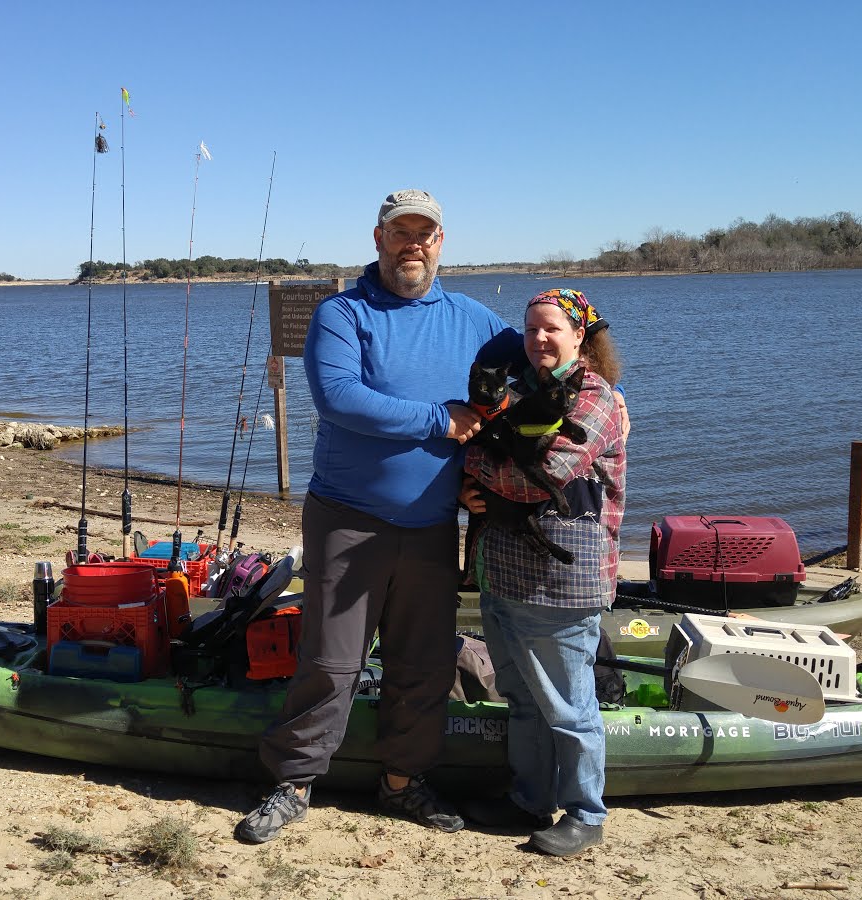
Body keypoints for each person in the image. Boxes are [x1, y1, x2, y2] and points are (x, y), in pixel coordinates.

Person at [235, 189, 521, 844]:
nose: (412, 244)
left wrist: (592, 394)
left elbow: (543, 358)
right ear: (379, 239)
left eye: (426, 233)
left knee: (420, 663)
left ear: (441, 242)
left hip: (431, 527)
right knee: (331, 660)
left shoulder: (475, 321)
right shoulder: (343, 314)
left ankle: (403, 783)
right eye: (401, 232)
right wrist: (441, 420)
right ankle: (293, 781)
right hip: (348, 519)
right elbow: (339, 399)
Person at [459, 288, 626, 857]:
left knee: (570, 707)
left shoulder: (597, 400)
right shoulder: (520, 393)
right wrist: (473, 488)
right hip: (501, 575)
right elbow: (494, 467)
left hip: (563, 583)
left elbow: (543, 475)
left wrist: (472, 462)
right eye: (531, 330)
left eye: (552, 329)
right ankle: (528, 797)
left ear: (581, 335)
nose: (539, 340)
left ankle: (586, 812)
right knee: (523, 699)